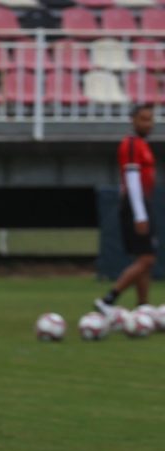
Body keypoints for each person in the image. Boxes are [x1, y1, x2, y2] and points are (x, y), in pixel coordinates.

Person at [95, 103, 157, 314]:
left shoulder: (142, 144)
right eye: (144, 119)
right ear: (133, 121)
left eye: (150, 119)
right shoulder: (131, 144)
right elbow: (132, 178)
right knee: (147, 258)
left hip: (141, 203)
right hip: (134, 204)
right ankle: (108, 300)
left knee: (144, 258)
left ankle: (143, 306)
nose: (149, 124)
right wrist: (140, 214)